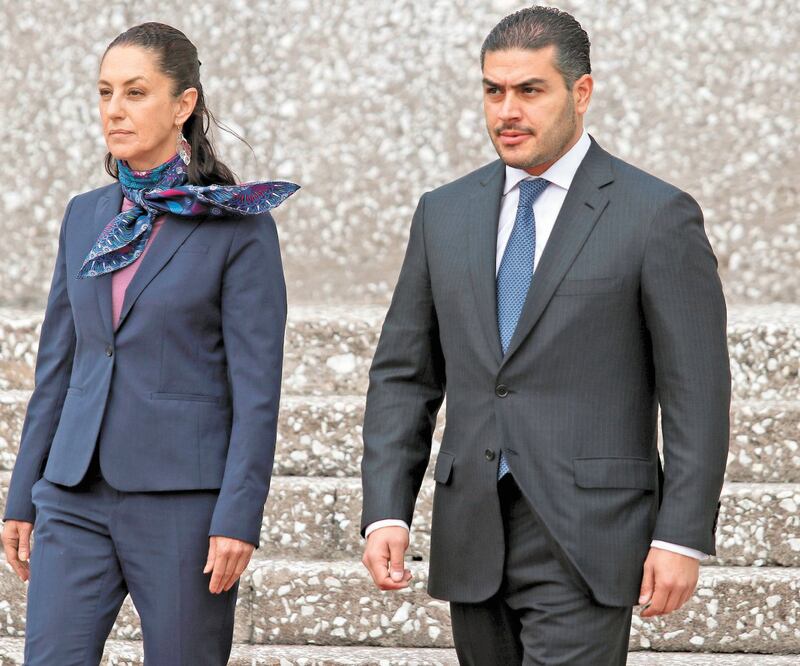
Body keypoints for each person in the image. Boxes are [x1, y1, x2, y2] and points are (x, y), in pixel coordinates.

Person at [360, 6, 730, 665]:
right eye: (492, 90)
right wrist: (387, 509)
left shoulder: (656, 216)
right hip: (473, 530)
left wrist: (680, 536)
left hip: (589, 535)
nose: (507, 110)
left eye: (530, 90)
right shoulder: (442, 214)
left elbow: (696, 390)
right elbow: (404, 373)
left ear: (580, 92)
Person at [1, 22, 297, 665]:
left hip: (182, 506)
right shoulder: (84, 215)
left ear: (183, 105)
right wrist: (23, 492)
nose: (115, 108)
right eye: (105, 92)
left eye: (136, 92)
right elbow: (60, 364)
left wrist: (238, 515)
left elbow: (256, 388)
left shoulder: (237, 224)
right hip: (73, 494)